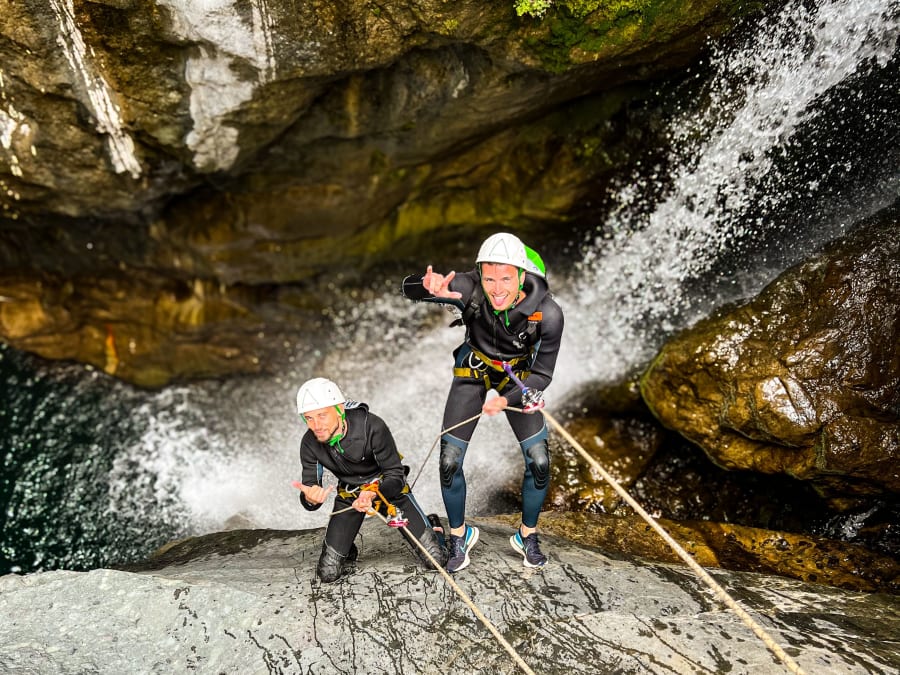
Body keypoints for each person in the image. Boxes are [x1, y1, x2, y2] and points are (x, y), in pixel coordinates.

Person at [401, 232, 564, 572]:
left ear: (522, 276)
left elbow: (543, 375)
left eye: (506, 278)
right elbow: (407, 288)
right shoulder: (469, 286)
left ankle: (527, 535)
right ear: (479, 274)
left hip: (519, 379)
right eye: (489, 278)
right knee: (448, 461)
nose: (497, 288)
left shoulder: (548, 314)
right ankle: (460, 535)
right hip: (473, 370)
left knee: (539, 462)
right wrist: (426, 286)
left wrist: (506, 400)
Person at [292, 377, 449, 582]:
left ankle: (433, 525)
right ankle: (345, 545)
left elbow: (395, 475)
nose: (316, 425)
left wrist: (374, 492)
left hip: (388, 491)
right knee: (328, 573)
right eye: (309, 418)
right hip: (350, 496)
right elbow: (311, 486)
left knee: (435, 559)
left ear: (339, 409)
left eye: (322, 415)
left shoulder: (371, 426)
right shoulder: (309, 443)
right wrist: (311, 498)